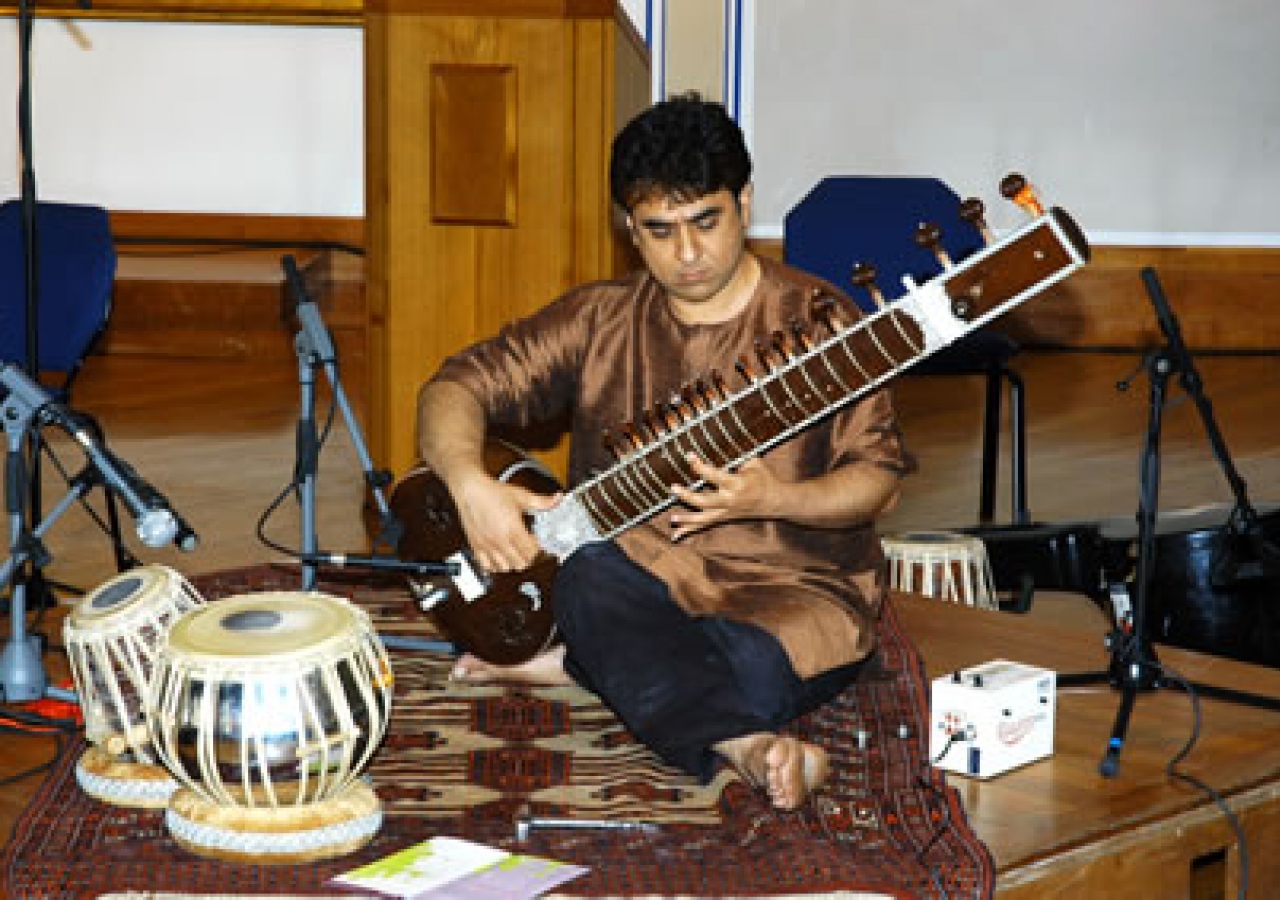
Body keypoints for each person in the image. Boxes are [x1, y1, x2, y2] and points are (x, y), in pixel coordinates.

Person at [416, 93, 911, 811]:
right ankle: (744, 743)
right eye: (660, 230)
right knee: (585, 582)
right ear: (629, 228)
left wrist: (776, 498)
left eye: (706, 222)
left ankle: (591, 664)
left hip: (787, 598)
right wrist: (468, 483)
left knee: (752, 671)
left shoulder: (820, 324)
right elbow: (454, 387)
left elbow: (879, 481)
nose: (686, 254)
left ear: (743, 201)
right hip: (637, 583)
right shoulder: (599, 321)